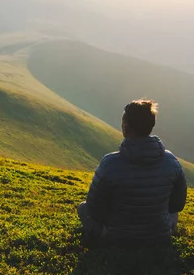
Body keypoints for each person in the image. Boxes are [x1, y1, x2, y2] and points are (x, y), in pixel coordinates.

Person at [78, 99, 187, 245]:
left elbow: (94, 209)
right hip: (160, 234)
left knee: (83, 207)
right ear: (151, 126)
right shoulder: (171, 161)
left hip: (116, 236)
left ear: (125, 127)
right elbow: (177, 205)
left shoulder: (110, 163)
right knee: (174, 214)